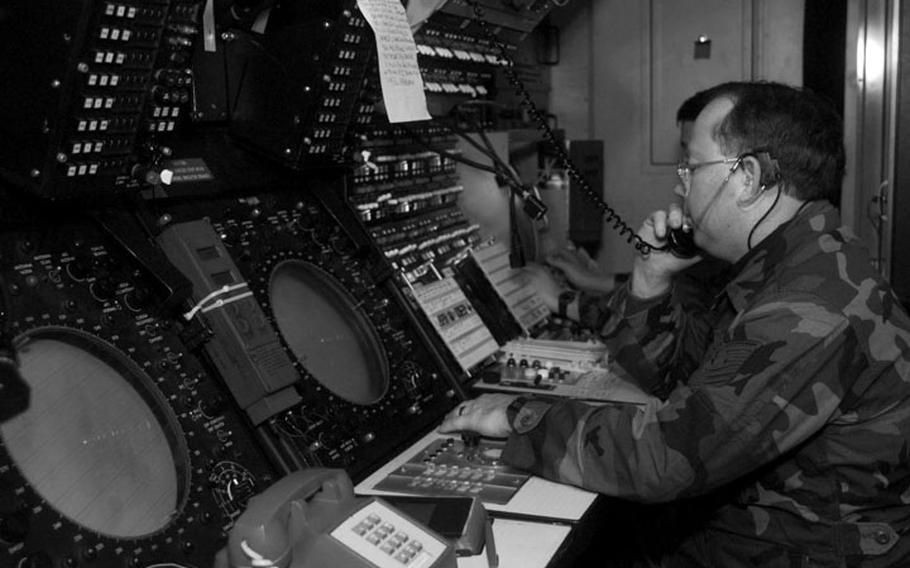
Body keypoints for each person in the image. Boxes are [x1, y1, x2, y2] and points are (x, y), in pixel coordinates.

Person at [439, 81, 910, 566]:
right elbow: (685, 384)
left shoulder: (810, 307)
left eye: (692, 165)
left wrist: (517, 415)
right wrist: (649, 278)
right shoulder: (788, 266)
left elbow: (665, 457)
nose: (681, 183)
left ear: (747, 177)